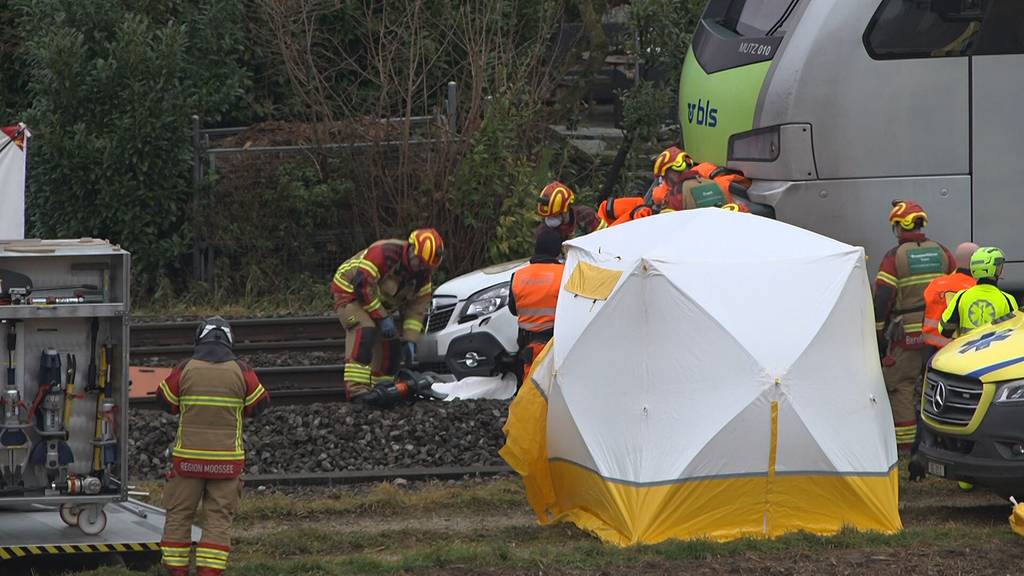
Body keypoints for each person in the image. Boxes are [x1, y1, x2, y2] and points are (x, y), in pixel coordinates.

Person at [157, 316, 270, 576]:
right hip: (226, 463)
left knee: (179, 515)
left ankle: (177, 570)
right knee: (218, 518)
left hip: (187, 462)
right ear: (230, 341)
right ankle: (209, 571)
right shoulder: (242, 370)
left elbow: (165, 401)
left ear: (199, 338)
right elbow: (260, 405)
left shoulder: (185, 368)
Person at [874, 200, 954, 452]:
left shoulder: (894, 257)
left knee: (901, 385)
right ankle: (942, 442)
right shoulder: (942, 252)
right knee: (940, 384)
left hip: (906, 334)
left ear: (899, 226)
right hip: (940, 333)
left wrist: (878, 332)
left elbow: (883, 297)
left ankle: (906, 449)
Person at [331, 228, 442, 401]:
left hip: (375, 300)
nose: (421, 268)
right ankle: (356, 391)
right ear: (412, 249)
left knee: (392, 345)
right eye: (419, 262)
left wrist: (410, 339)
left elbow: (416, 310)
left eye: (426, 266)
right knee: (365, 331)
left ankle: (382, 389)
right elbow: (362, 286)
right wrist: (382, 317)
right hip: (349, 292)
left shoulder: (423, 276)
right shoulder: (384, 253)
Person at [508, 227, 564, 380]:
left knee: (531, 387)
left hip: (528, 347)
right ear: (557, 251)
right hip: (555, 345)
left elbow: (513, 309)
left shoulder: (517, 275)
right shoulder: (564, 273)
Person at [941, 246, 1018, 339]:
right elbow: (1016, 333)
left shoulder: (961, 297)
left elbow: (945, 330)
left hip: (967, 347)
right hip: (996, 348)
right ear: (994, 269)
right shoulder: (1007, 300)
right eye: (1000, 266)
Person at [922, 242, 979, 351]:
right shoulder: (975, 288)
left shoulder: (935, 284)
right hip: (956, 350)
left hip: (930, 350)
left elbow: (924, 317)